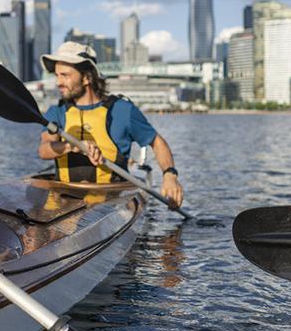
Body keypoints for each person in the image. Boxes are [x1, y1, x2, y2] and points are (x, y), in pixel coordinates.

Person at [37, 41, 184, 209]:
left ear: (87, 77)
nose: (58, 82)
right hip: (64, 201)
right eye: (57, 75)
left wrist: (170, 175)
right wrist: (72, 146)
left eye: (65, 75)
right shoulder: (56, 112)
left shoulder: (122, 110)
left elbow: (157, 142)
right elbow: (44, 149)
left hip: (111, 203)